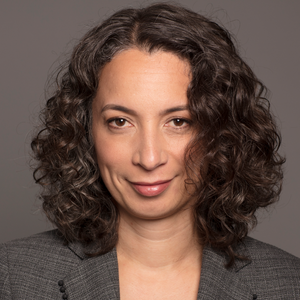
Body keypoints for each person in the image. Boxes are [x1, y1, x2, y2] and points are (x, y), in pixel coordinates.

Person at [0, 3, 299, 299]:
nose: (149, 158)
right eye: (120, 122)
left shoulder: (290, 285)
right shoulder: (12, 277)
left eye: (179, 122)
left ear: (221, 132)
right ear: (85, 130)